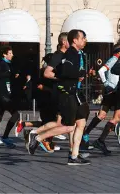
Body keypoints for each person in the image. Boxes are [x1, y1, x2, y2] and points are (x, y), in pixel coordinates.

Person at [27, 29, 90, 165]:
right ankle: (38, 137)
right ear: (74, 40)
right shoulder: (68, 54)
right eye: (83, 38)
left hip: (74, 92)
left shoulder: (76, 54)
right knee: (68, 126)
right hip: (66, 93)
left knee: (80, 123)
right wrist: (75, 75)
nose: (85, 40)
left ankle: (74, 156)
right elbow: (55, 72)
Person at [83, 44, 120, 156]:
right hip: (112, 91)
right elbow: (101, 71)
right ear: (119, 52)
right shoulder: (113, 60)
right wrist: (106, 84)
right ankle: (96, 139)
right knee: (118, 115)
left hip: (112, 91)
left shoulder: (116, 60)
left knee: (102, 115)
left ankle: (87, 134)